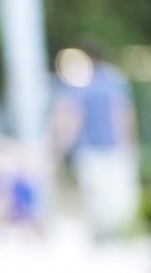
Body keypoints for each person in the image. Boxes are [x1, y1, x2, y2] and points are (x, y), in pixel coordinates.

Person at [51, 41, 140, 239]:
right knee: (118, 193)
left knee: (96, 194)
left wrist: (60, 149)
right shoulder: (115, 80)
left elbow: (73, 118)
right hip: (113, 146)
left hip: (90, 148)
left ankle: (103, 233)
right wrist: (128, 143)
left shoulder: (79, 82)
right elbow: (123, 114)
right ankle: (118, 233)